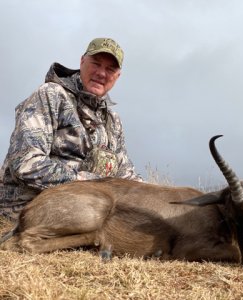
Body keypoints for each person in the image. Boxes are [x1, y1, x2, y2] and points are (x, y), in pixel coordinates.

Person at [0, 38, 143, 221]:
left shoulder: (112, 121)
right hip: (27, 210)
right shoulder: (50, 95)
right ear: (82, 61)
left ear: (118, 76)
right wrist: (87, 184)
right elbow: (25, 163)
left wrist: (156, 197)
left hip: (84, 209)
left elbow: (126, 174)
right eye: (96, 64)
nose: (101, 73)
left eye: (110, 69)